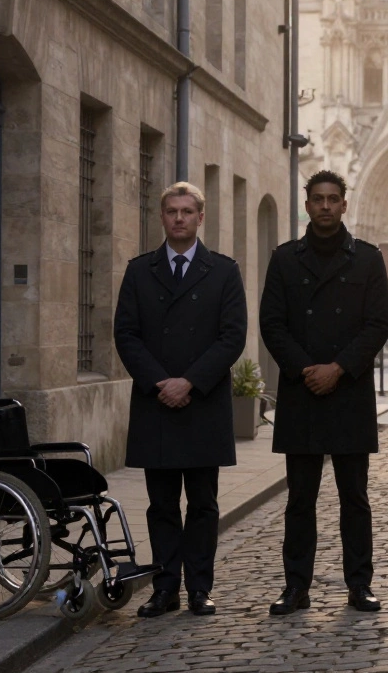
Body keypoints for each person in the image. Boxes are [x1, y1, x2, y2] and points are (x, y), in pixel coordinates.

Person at [259, 169, 388, 615]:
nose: (326, 206)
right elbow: (272, 324)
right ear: (308, 203)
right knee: (299, 500)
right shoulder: (284, 259)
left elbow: (377, 325)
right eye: (318, 199)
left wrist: (338, 369)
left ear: (345, 204)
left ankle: (359, 585)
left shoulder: (369, 259)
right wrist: (305, 369)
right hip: (301, 394)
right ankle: (295, 586)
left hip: (348, 393)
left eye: (333, 199)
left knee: (355, 499)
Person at [114, 181, 247, 618]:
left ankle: (200, 589)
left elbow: (232, 338)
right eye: (172, 211)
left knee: (204, 505)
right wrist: (160, 383)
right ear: (162, 216)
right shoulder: (139, 271)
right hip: (157, 406)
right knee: (162, 505)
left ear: (200, 217)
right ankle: (165, 588)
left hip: (202, 405)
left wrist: (189, 382)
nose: (179, 218)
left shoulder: (224, 271)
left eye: (187, 211)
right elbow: (126, 335)